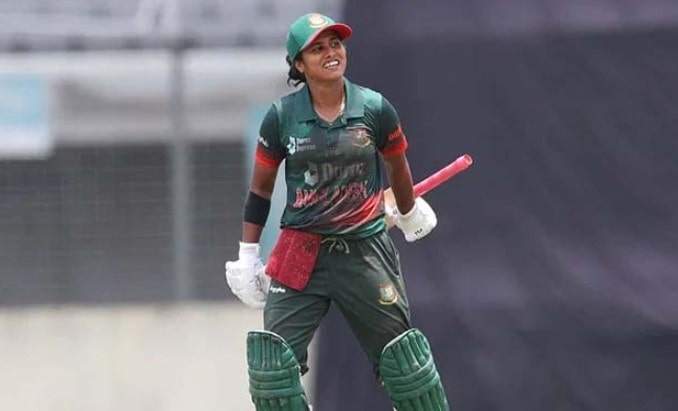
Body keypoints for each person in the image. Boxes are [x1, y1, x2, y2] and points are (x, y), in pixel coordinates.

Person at [225, 13, 450, 411]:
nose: (331, 53)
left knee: (409, 370)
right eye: (317, 48)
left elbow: (397, 168)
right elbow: (260, 191)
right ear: (299, 64)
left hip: (363, 251)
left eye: (335, 44)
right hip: (300, 254)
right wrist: (247, 255)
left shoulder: (375, 108)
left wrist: (408, 210)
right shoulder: (282, 117)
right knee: (272, 373)